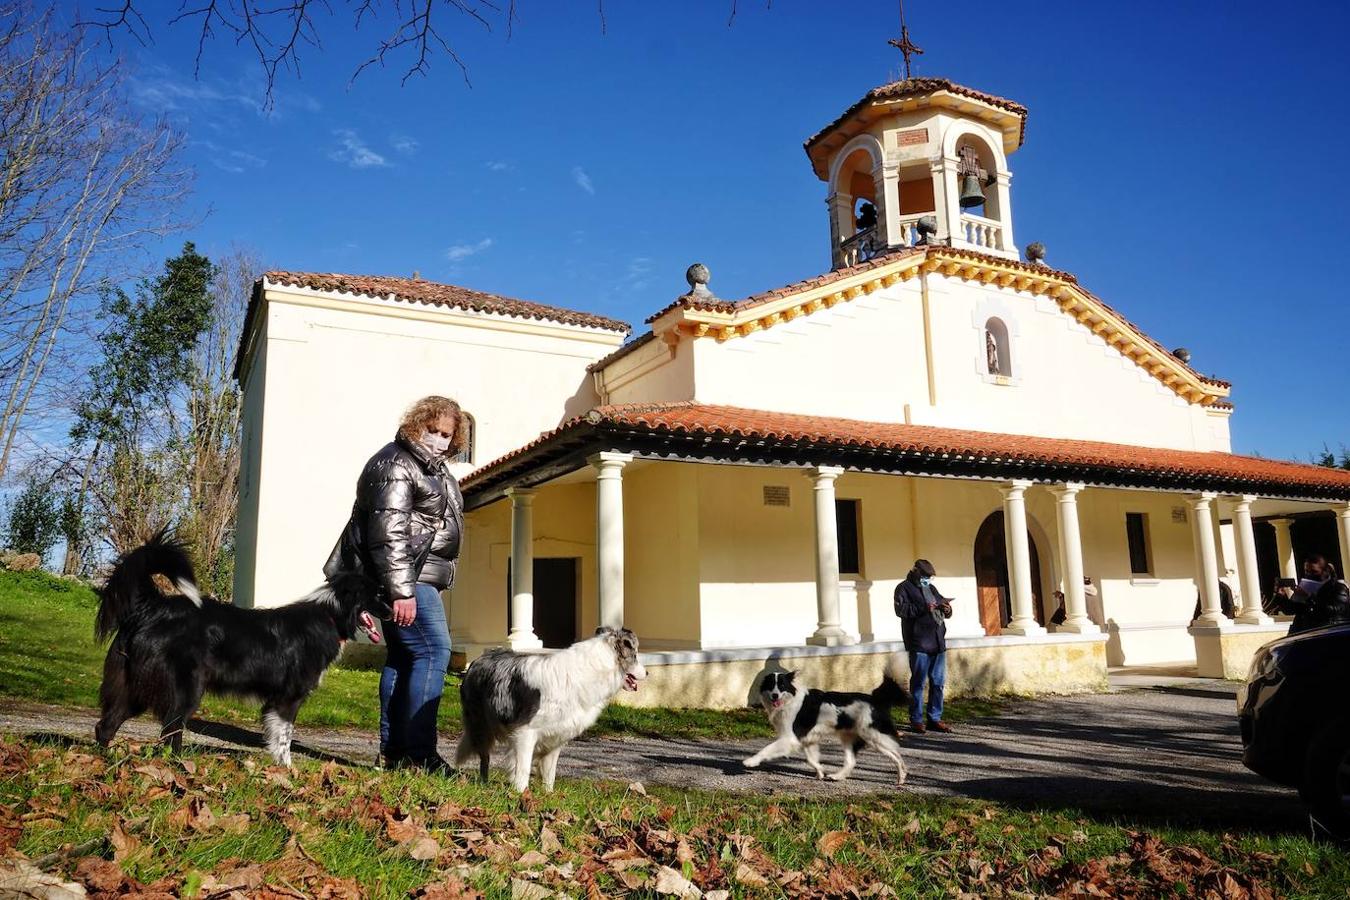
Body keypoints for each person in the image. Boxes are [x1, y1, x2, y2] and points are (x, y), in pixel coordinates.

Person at [325, 395, 467, 772]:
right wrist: (402, 590)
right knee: (436, 650)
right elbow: (388, 533)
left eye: (446, 434)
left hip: (416, 576)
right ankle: (420, 754)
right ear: (415, 424)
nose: (438, 439)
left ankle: (395, 753)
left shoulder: (430, 467)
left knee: (405, 658)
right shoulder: (397, 463)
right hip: (409, 577)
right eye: (432, 430)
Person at [894, 559, 953, 734]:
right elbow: (901, 610)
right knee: (918, 683)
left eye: (930, 577)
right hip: (919, 643)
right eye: (926, 575)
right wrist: (923, 607)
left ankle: (935, 718)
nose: (927, 579)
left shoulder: (931, 589)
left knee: (938, 683)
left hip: (938, 642)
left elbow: (942, 606)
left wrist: (947, 609)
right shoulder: (903, 588)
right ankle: (916, 720)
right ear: (916, 572)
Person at [1272, 554, 1350, 635]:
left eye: (1314, 572)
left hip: (1327, 633)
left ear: (1326, 571)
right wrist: (1282, 597)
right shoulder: (1305, 587)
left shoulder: (1338, 588)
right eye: (1307, 571)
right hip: (1303, 633)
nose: (1309, 575)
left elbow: (1335, 610)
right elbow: (1291, 610)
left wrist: (1309, 597)